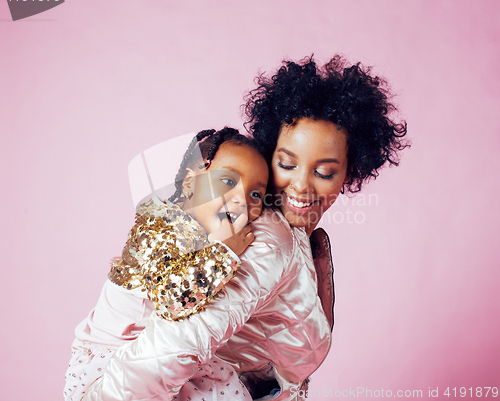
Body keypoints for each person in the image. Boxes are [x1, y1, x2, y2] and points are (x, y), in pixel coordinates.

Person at [75, 55, 408, 401]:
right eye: (287, 164)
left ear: (349, 174)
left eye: (324, 173)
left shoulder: (293, 235)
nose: (301, 186)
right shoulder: (266, 238)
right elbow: (176, 343)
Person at [64, 127, 269, 401]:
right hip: (109, 361)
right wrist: (223, 252)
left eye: (256, 194)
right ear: (188, 183)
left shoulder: (204, 234)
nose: (241, 198)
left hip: (156, 354)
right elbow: (172, 299)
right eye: (228, 181)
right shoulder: (159, 226)